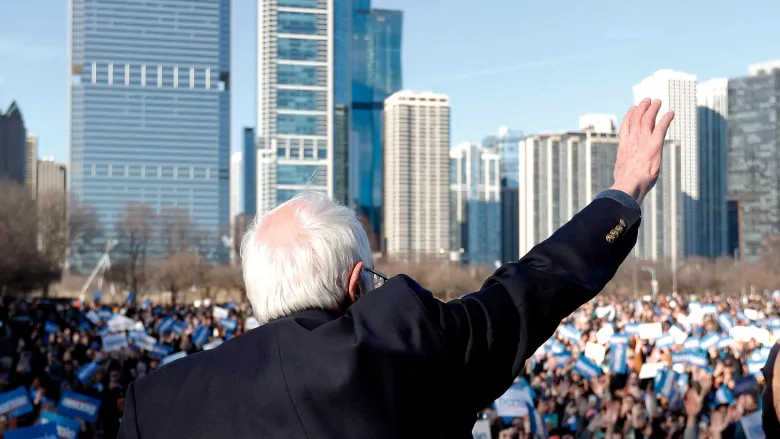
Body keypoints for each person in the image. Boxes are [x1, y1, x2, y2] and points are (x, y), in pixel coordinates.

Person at [117, 99, 674, 439]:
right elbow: (533, 287)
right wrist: (624, 191)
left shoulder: (158, 403)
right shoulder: (407, 343)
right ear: (358, 284)